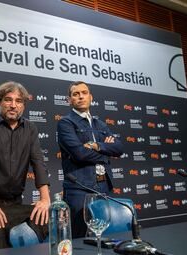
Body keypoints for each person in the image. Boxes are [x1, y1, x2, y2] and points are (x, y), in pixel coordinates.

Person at [0, 81, 50, 251]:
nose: (13, 105)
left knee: (12, 250)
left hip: (15, 204)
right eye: (8, 100)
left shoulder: (31, 128)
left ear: (23, 105)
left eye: (19, 101)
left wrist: (45, 199)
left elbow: (38, 162)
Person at [57, 81, 124, 238]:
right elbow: (79, 153)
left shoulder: (100, 124)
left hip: (103, 185)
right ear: (69, 100)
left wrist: (95, 145)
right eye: (76, 94)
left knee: (106, 235)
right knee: (78, 237)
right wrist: (106, 152)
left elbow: (119, 148)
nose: (81, 96)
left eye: (84, 92)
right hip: (79, 188)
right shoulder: (66, 122)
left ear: (91, 97)